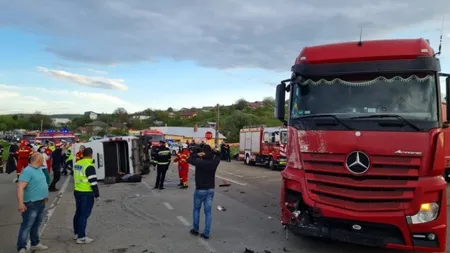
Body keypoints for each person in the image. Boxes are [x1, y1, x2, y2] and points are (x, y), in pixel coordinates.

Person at [16, 153, 49, 253]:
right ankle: (22, 247)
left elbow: (41, 182)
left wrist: (45, 195)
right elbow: (20, 188)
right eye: (42, 159)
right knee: (26, 226)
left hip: (41, 201)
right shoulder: (27, 171)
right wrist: (21, 204)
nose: (44, 161)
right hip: (31, 203)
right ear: (37, 160)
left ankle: (35, 243)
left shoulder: (39, 169)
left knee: (36, 224)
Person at [187, 145, 221, 239]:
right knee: (208, 212)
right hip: (210, 189)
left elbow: (189, 159)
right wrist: (214, 152)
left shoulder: (200, 162)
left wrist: (196, 154)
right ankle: (206, 233)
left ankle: (195, 229)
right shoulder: (214, 162)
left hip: (200, 189)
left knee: (196, 209)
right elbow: (219, 155)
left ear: (202, 153)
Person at [73, 147, 99, 244]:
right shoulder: (89, 166)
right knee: (84, 215)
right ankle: (82, 237)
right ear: (91, 154)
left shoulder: (77, 164)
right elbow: (93, 182)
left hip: (77, 191)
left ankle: (77, 233)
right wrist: (97, 194)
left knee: (78, 213)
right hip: (86, 193)